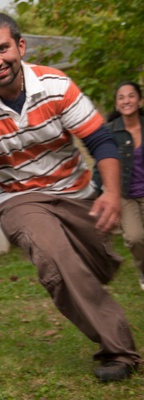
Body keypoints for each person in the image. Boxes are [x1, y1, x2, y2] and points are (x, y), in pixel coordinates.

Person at [0, 13, 141, 382]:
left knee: (96, 266)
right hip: (17, 198)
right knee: (56, 261)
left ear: (20, 47)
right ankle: (119, 350)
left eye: (3, 48)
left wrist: (114, 194)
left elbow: (100, 141)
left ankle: (92, 283)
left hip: (75, 191)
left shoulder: (56, 85)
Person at [93, 82, 144, 290]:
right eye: (121, 97)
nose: (126, 101)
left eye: (131, 96)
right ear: (116, 104)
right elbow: (100, 165)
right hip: (125, 194)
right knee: (135, 238)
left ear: (139, 101)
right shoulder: (110, 133)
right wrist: (94, 193)